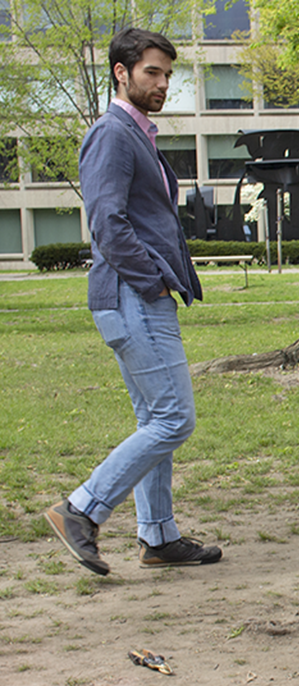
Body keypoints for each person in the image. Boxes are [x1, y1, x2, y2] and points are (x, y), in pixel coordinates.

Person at [45, 28, 221, 575]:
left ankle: (158, 536)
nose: (163, 83)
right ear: (121, 73)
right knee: (173, 418)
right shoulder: (113, 134)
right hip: (130, 297)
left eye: (168, 74)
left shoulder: (138, 134)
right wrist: (152, 281)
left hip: (139, 298)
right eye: (152, 72)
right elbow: (107, 222)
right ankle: (80, 510)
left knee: (155, 417)